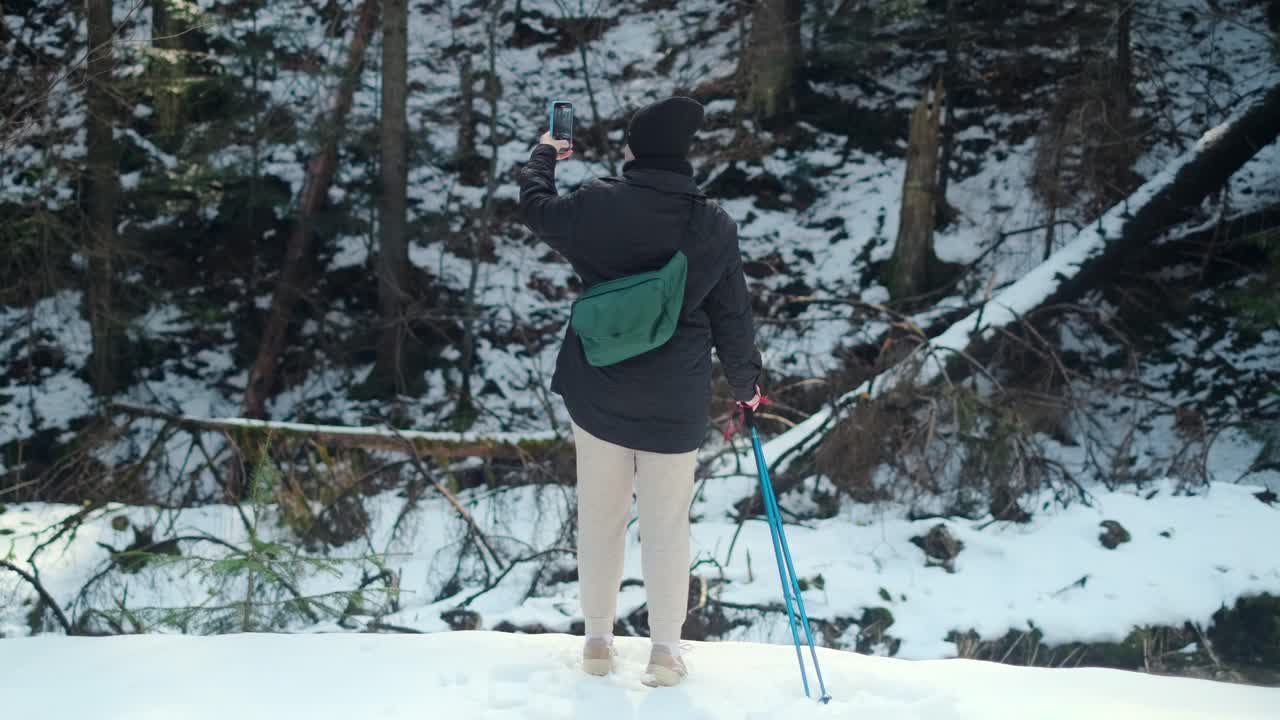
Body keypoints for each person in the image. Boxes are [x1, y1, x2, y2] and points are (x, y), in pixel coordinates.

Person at [517, 96, 763, 687]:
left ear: (636, 150)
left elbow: (537, 209)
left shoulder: (599, 204)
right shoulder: (712, 225)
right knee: (666, 524)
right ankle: (664, 652)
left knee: (600, 515)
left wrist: (543, 156)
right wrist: (747, 387)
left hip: (597, 388)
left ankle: (597, 642)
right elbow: (733, 317)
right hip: (674, 400)